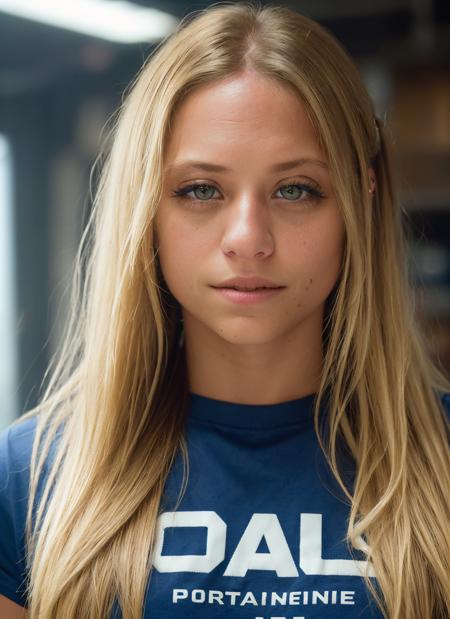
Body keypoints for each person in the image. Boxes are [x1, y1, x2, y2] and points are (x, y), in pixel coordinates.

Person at [0, 2, 449, 618]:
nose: (247, 237)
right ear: (147, 207)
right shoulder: (30, 476)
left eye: (296, 189)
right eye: (200, 190)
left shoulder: (441, 469)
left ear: (360, 198)